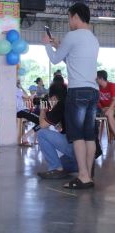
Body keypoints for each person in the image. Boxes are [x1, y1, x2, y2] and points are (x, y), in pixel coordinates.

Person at [43, 2, 99, 189]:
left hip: (78, 91)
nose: (69, 22)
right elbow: (72, 60)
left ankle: (82, 176)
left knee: (77, 136)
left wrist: (47, 46)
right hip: (93, 92)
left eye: (69, 18)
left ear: (75, 16)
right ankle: (88, 175)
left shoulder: (72, 35)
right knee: (89, 136)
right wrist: (60, 45)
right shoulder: (93, 38)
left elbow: (55, 59)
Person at [36, 83, 78, 179]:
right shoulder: (72, 101)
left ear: (54, 97)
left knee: (41, 134)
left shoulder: (60, 104)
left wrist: (42, 111)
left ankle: (56, 168)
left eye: (50, 99)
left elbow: (42, 125)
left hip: (74, 147)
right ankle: (78, 166)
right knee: (62, 161)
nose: (50, 102)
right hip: (85, 151)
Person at [16, 79, 40, 145]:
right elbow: (27, 96)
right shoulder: (15, 89)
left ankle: (25, 137)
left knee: (41, 121)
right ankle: (25, 137)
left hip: (23, 110)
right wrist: (31, 96)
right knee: (41, 121)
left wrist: (21, 88)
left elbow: (26, 96)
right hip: (21, 111)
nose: (19, 83)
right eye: (18, 82)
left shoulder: (18, 90)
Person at [96, 70, 115, 134]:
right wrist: (102, 108)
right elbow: (97, 101)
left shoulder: (111, 85)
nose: (96, 80)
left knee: (109, 114)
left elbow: (114, 100)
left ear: (101, 78)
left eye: (97, 79)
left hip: (112, 107)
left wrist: (109, 109)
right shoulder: (97, 88)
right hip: (104, 109)